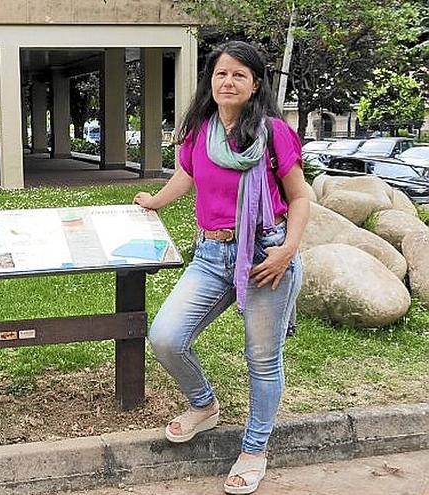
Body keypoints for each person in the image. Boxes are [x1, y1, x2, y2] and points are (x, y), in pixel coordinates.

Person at [134, 41, 309, 495]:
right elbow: (187, 176)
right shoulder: (199, 131)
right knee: (167, 337)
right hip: (212, 255)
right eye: (220, 74)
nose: (227, 82)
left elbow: (300, 198)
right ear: (210, 82)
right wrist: (154, 201)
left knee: (262, 360)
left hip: (266, 255)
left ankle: (254, 448)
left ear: (254, 86)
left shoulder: (273, 133)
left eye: (238, 75)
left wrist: (287, 251)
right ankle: (204, 405)